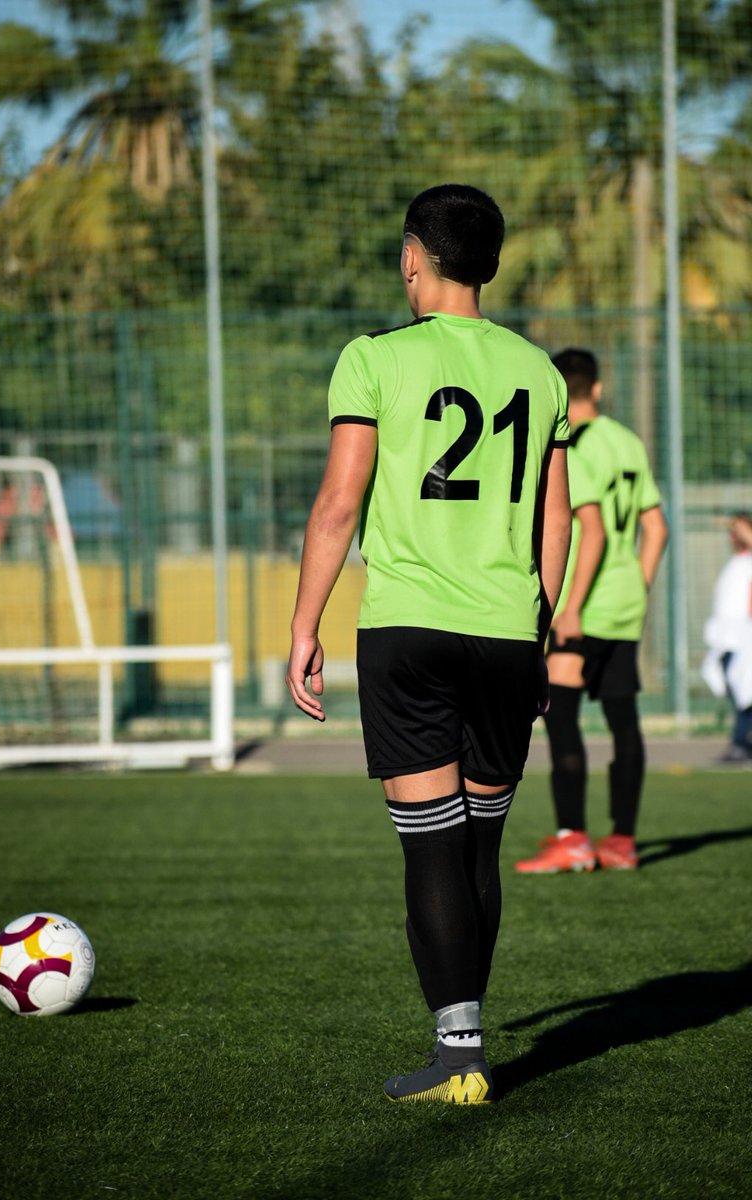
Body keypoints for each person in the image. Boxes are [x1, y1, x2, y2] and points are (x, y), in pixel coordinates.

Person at [286, 184, 572, 1104]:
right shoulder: (539, 371)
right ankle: (466, 1047)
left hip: (408, 630)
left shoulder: (373, 358)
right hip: (507, 631)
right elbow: (556, 520)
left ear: (414, 256)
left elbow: (339, 502)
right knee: (480, 848)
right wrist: (538, 627)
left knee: (431, 850)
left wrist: (304, 625)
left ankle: (459, 1057)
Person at [515, 348, 668, 875]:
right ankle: (623, 840)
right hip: (624, 601)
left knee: (560, 717)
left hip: (586, 604)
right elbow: (657, 528)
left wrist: (573, 606)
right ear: (597, 389)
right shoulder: (627, 441)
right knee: (623, 720)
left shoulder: (573, 445)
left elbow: (593, 532)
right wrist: (637, 587)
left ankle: (573, 839)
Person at [702, 513, 752, 762]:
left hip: (745, 639)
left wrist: (741, 525)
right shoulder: (737, 562)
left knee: (745, 691)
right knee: (738, 692)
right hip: (728, 640)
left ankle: (741, 743)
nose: (733, 536)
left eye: (737, 531)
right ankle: (741, 742)